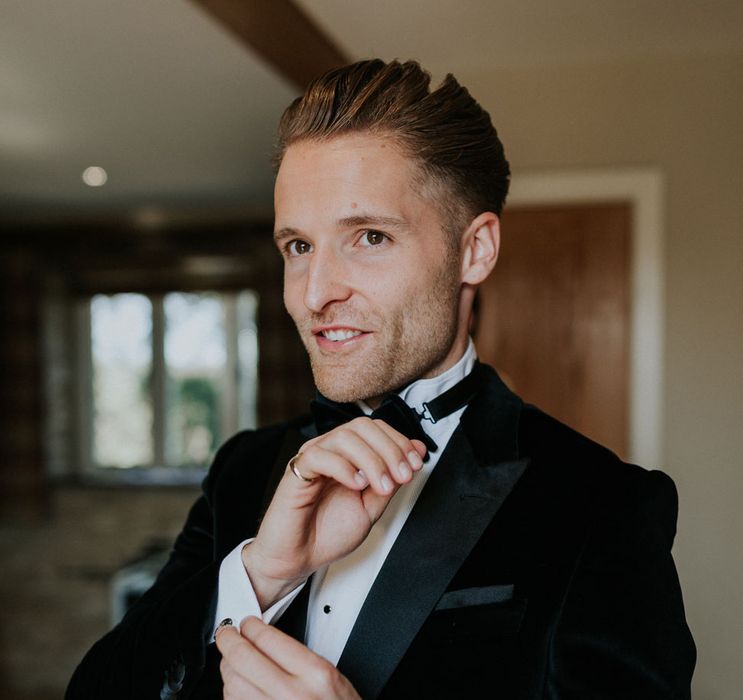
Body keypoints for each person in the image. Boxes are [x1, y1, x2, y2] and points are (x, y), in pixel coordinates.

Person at [67, 59, 696, 699]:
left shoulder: (603, 505)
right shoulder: (245, 469)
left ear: (474, 250)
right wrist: (263, 573)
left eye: (369, 236)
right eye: (299, 247)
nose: (315, 295)